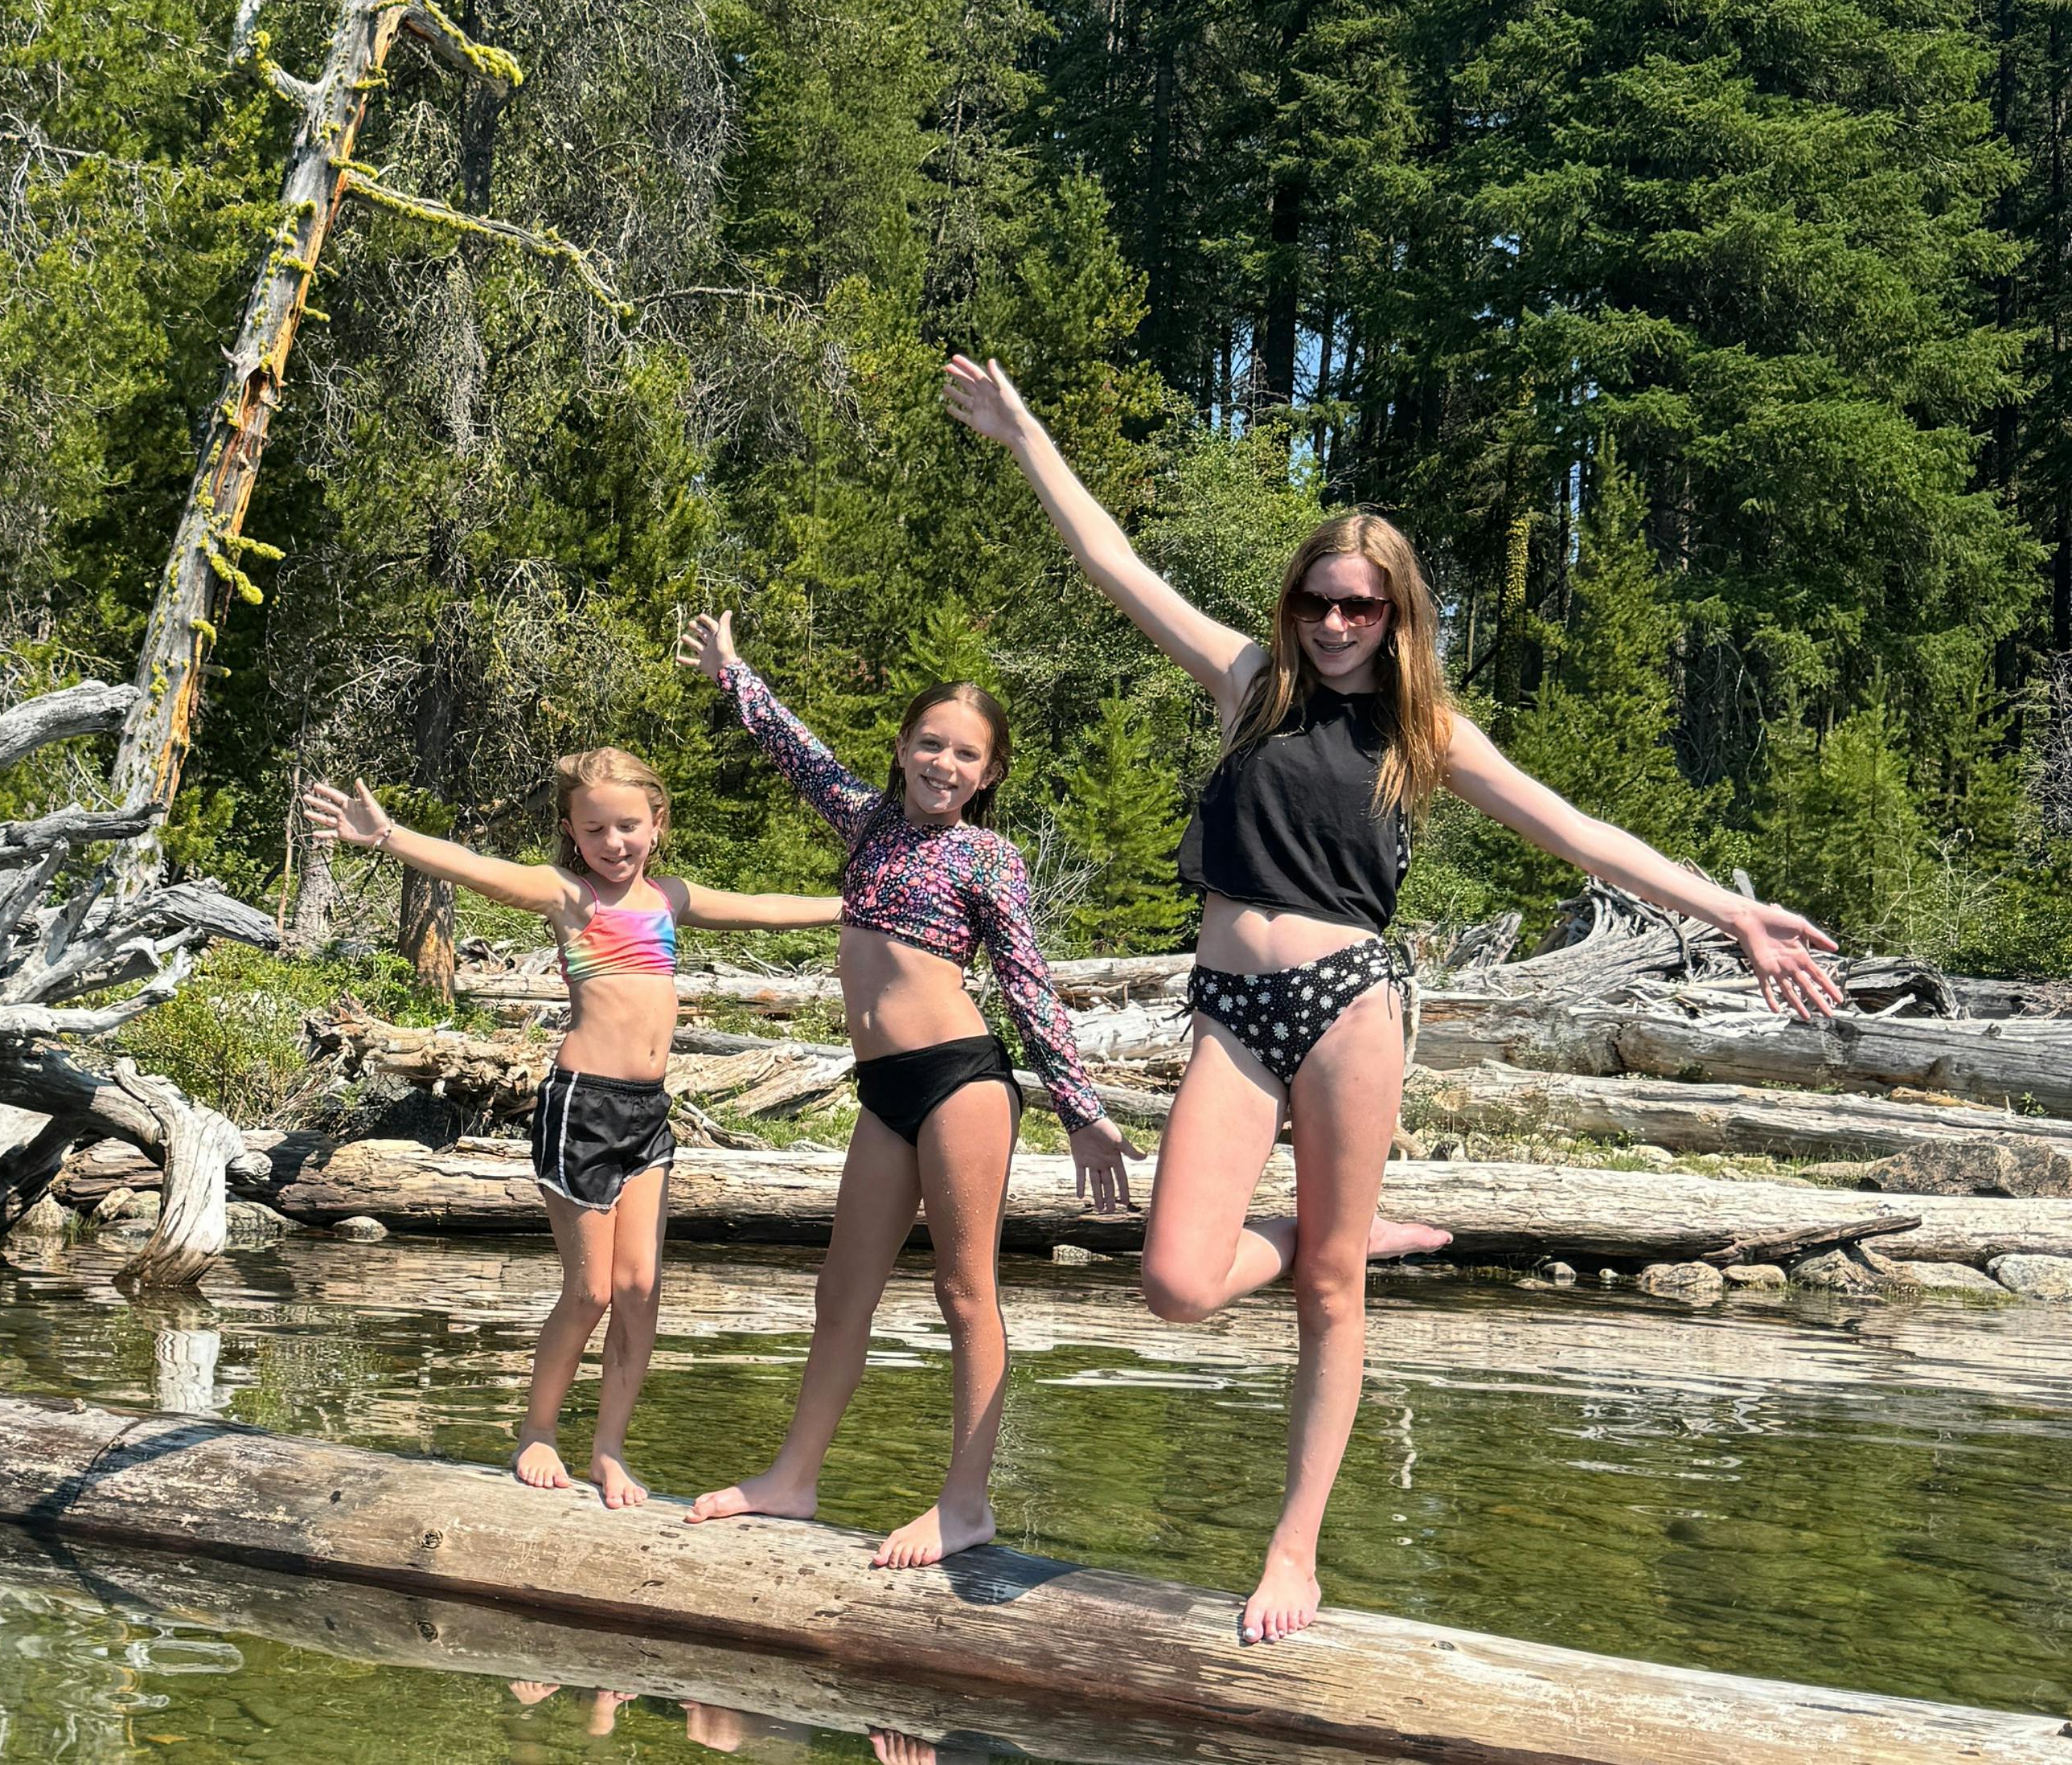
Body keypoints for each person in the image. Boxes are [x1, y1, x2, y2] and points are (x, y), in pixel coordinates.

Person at [940, 349, 1847, 1642]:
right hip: (1231, 1013)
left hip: (1351, 1005)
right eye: (1319, 599)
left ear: (1398, 613)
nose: (1335, 623)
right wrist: (1026, 432)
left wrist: (1733, 913)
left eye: (1360, 607)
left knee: (1325, 1297)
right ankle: (1340, 1229)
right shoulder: (1252, 680)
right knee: (1177, 1282)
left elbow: (1581, 833)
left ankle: (1295, 1548)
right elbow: (1117, 565)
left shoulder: (1428, 732)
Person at [673, 617, 1140, 1567]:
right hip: (883, 1087)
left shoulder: (986, 858)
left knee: (965, 1290)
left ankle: (965, 1503)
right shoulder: (866, 821)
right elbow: (795, 753)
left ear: (989, 773)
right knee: (841, 1292)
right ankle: (792, 1479)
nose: (943, 762)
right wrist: (734, 676)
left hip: (960, 1082)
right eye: (929, 743)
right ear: (900, 749)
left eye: (965, 754)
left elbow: (1024, 983)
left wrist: (1081, 1110)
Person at [303, 750, 841, 1508]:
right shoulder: (570, 895)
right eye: (595, 830)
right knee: (588, 1291)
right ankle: (537, 1431)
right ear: (572, 833)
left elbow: (767, 906)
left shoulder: (670, 898)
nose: (613, 842)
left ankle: (609, 1450)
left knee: (641, 1289)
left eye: (628, 826)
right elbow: (474, 866)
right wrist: (389, 836)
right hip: (582, 1109)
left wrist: (858, 903)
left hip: (648, 1115)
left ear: (657, 825)